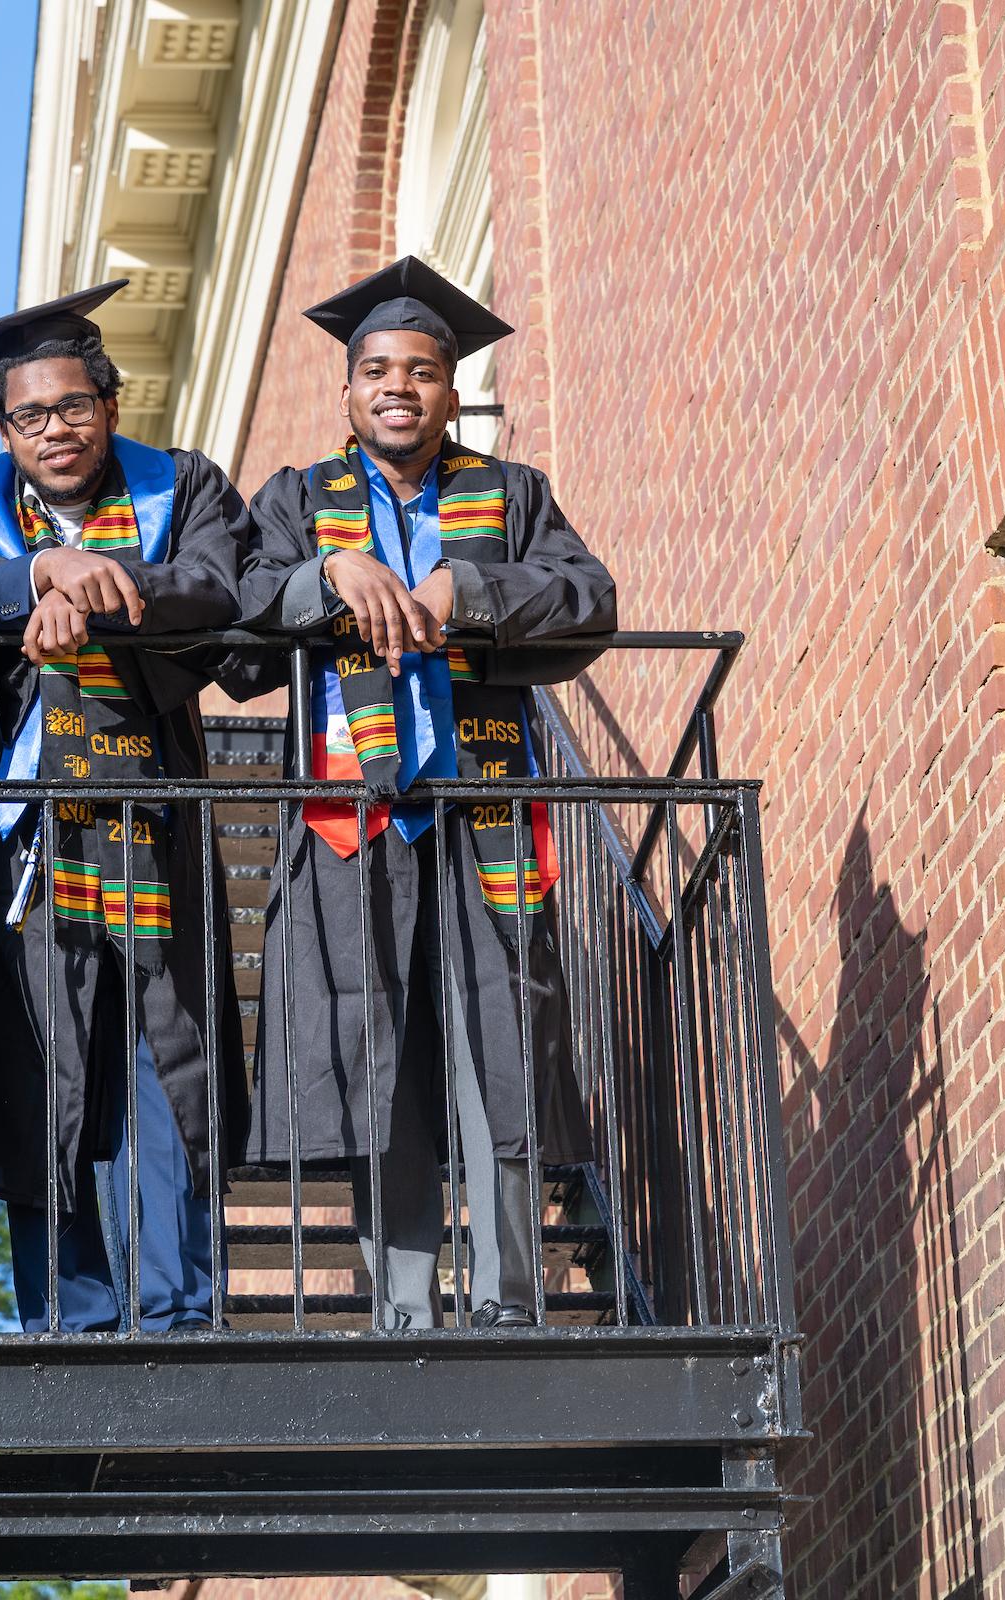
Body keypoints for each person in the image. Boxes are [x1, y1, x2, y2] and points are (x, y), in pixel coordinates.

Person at [229, 258, 618, 1328]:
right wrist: (326, 576)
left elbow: (590, 598)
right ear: (346, 391)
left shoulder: (513, 494)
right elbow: (239, 620)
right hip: (353, 816)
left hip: (481, 802)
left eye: (422, 370)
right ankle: (402, 1303)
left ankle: (506, 1295)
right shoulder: (298, 500)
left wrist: (469, 585)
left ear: (451, 393)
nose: (398, 387)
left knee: (497, 1040)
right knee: (377, 1053)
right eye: (377, 371)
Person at [0, 280, 247, 1333]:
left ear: (110, 404)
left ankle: (177, 1306)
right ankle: (69, 1313)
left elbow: (220, 588)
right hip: (25, 826)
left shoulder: (182, 485)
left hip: (151, 810)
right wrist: (40, 573)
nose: (54, 430)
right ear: (3, 430)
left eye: (72, 406)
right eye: (29, 416)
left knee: (165, 1052)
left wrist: (102, 587)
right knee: (46, 1062)